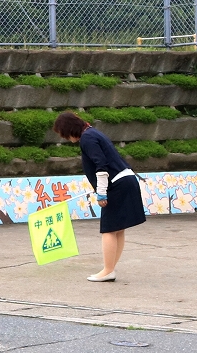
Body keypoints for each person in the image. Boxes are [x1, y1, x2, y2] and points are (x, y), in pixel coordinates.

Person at [52, 112, 145, 282]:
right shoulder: (94, 133)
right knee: (118, 229)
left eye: (63, 134)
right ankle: (110, 269)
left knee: (109, 229)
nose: (65, 138)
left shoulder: (87, 138)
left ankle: (108, 270)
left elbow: (101, 166)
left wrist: (101, 192)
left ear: (68, 129)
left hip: (116, 185)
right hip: (126, 180)